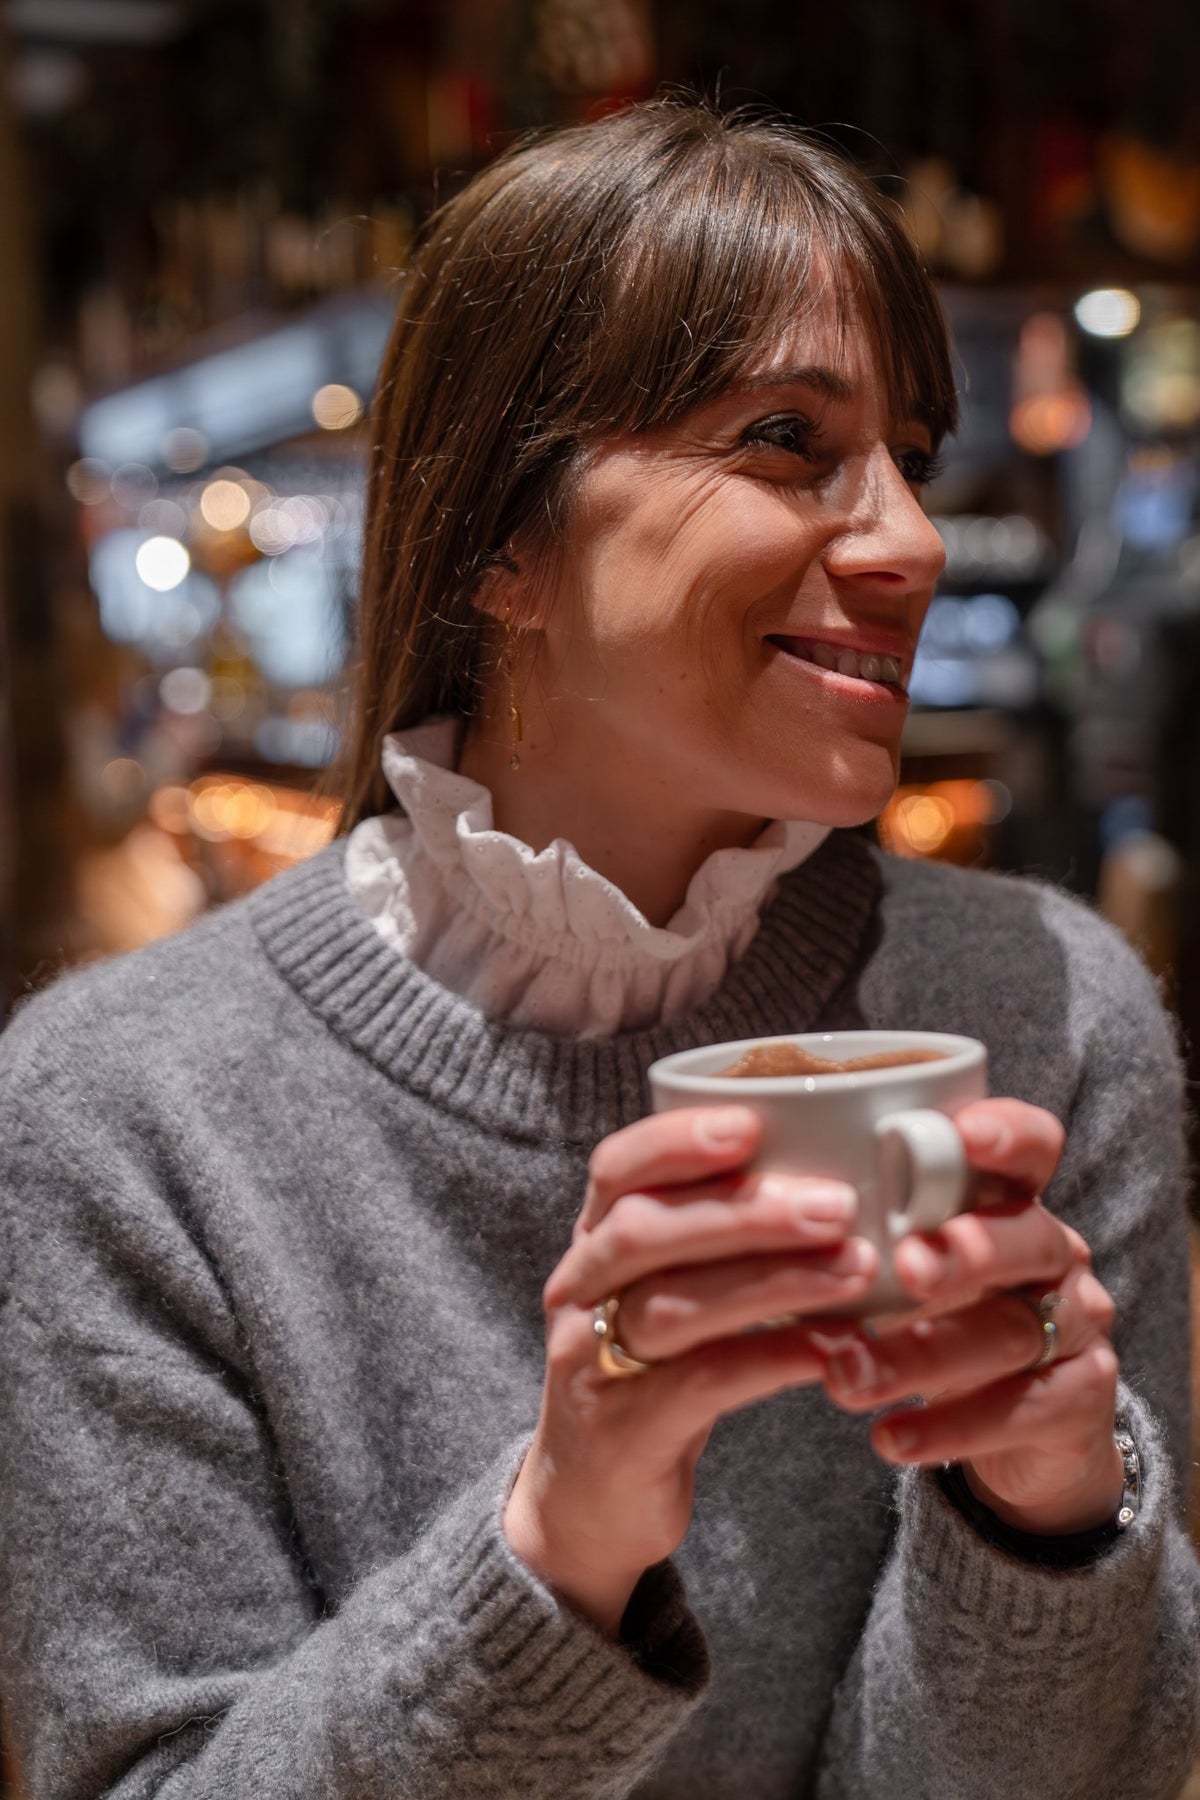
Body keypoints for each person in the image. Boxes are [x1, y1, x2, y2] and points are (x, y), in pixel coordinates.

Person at [0, 100, 1197, 1800]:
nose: (914, 543)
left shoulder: (1044, 1014)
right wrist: (561, 1540)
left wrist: (1049, 1507)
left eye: (911, 460)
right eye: (789, 438)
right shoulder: (121, 1116)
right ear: (502, 541)